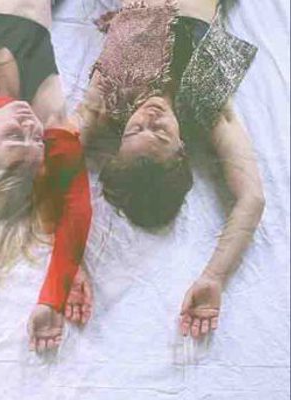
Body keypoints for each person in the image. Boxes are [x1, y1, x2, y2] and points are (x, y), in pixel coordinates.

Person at [75, 0, 264, 338]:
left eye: (134, 130)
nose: (149, 116)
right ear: (181, 152)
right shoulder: (205, 102)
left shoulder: (106, 101)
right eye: (160, 133)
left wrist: (68, 266)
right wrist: (214, 277)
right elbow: (251, 198)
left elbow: (51, 164)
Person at [0, 0, 93, 352]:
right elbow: (74, 201)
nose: (32, 127)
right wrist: (56, 290)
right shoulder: (45, 108)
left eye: (16, 136)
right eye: (37, 140)